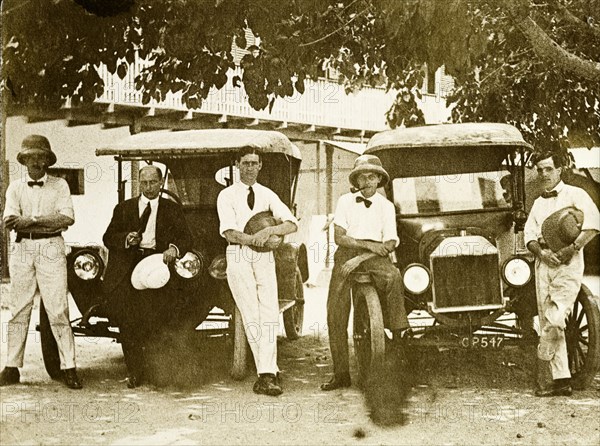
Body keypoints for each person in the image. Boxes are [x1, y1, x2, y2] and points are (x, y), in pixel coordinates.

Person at [321, 154, 411, 391]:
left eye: (372, 176)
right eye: (363, 176)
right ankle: (341, 374)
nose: (367, 181)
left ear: (379, 179)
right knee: (335, 311)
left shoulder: (387, 206)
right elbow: (339, 237)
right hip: (347, 253)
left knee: (393, 277)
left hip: (373, 256)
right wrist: (367, 246)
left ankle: (397, 335)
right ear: (357, 179)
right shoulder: (344, 201)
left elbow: (390, 242)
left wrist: (366, 253)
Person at [0, 135, 81, 389]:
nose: (36, 161)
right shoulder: (15, 187)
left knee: (57, 309)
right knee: (19, 309)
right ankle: (12, 367)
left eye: (40, 156)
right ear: (24, 160)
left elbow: (66, 219)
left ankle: (69, 367)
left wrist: (32, 221)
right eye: (30, 157)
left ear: (47, 159)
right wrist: (44, 219)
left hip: (51, 247)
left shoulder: (60, 186)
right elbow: (11, 221)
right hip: (23, 247)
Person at [217, 147, 298, 396]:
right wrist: (257, 238)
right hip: (238, 255)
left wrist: (270, 232)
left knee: (269, 312)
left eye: (254, 163)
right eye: (245, 163)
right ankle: (267, 374)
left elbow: (291, 223)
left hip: (264, 257)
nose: (250, 167)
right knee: (251, 314)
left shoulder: (267, 194)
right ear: (237, 165)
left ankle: (267, 373)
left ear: (260, 166)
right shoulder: (226, 195)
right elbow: (230, 232)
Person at [102, 165, 192, 388]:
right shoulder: (123, 208)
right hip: (128, 268)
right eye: (144, 183)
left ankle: (157, 371)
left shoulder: (172, 209)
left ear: (161, 183)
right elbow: (108, 237)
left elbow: (186, 238)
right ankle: (135, 372)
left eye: (153, 182)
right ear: (139, 183)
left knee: (157, 319)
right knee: (129, 321)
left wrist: (173, 248)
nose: (149, 187)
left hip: (158, 266)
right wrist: (126, 238)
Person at [524, 151, 599, 397]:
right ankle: (561, 380)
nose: (544, 174)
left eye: (548, 168)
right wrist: (541, 254)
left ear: (559, 169)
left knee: (556, 318)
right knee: (547, 320)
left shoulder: (577, 195)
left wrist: (571, 249)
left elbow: (593, 226)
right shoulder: (537, 203)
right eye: (540, 170)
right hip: (543, 263)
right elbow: (529, 236)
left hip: (568, 263)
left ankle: (544, 377)